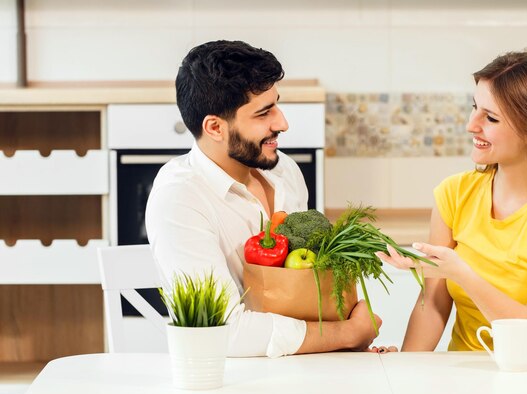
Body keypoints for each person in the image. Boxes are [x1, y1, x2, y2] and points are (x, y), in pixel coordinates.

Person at [146, 40, 380, 358]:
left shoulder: (285, 171)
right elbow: (224, 332)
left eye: (277, 105)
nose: (282, 123)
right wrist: (348, 333)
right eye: (263, 113)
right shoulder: (179, 199)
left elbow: (310, 287)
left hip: (308, 365)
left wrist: (350, 344)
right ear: (215, 127)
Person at [376, 48, 527, 352]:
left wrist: (460, 273)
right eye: (474, 107)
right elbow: (433, 305)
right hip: (463, 378)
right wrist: (407, 367)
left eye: (490, 117)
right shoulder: (454, 194)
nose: (471, 125)